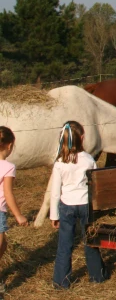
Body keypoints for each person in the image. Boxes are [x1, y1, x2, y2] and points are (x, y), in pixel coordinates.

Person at [50, 121, 106, 289]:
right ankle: (97, 276)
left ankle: (61, 281)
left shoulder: (59, 163)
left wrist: (54, 214)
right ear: (82, 138)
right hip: (85, 205)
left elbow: (55, 191)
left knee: (64, 245)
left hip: (67, 206)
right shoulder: (89, 160)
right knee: (90, 240)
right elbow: (95, 184)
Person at [0, 126, 28, 296]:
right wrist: (18, 215)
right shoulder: (8, 167)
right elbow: (8, 193)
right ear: (10, 146)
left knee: (4, 245)